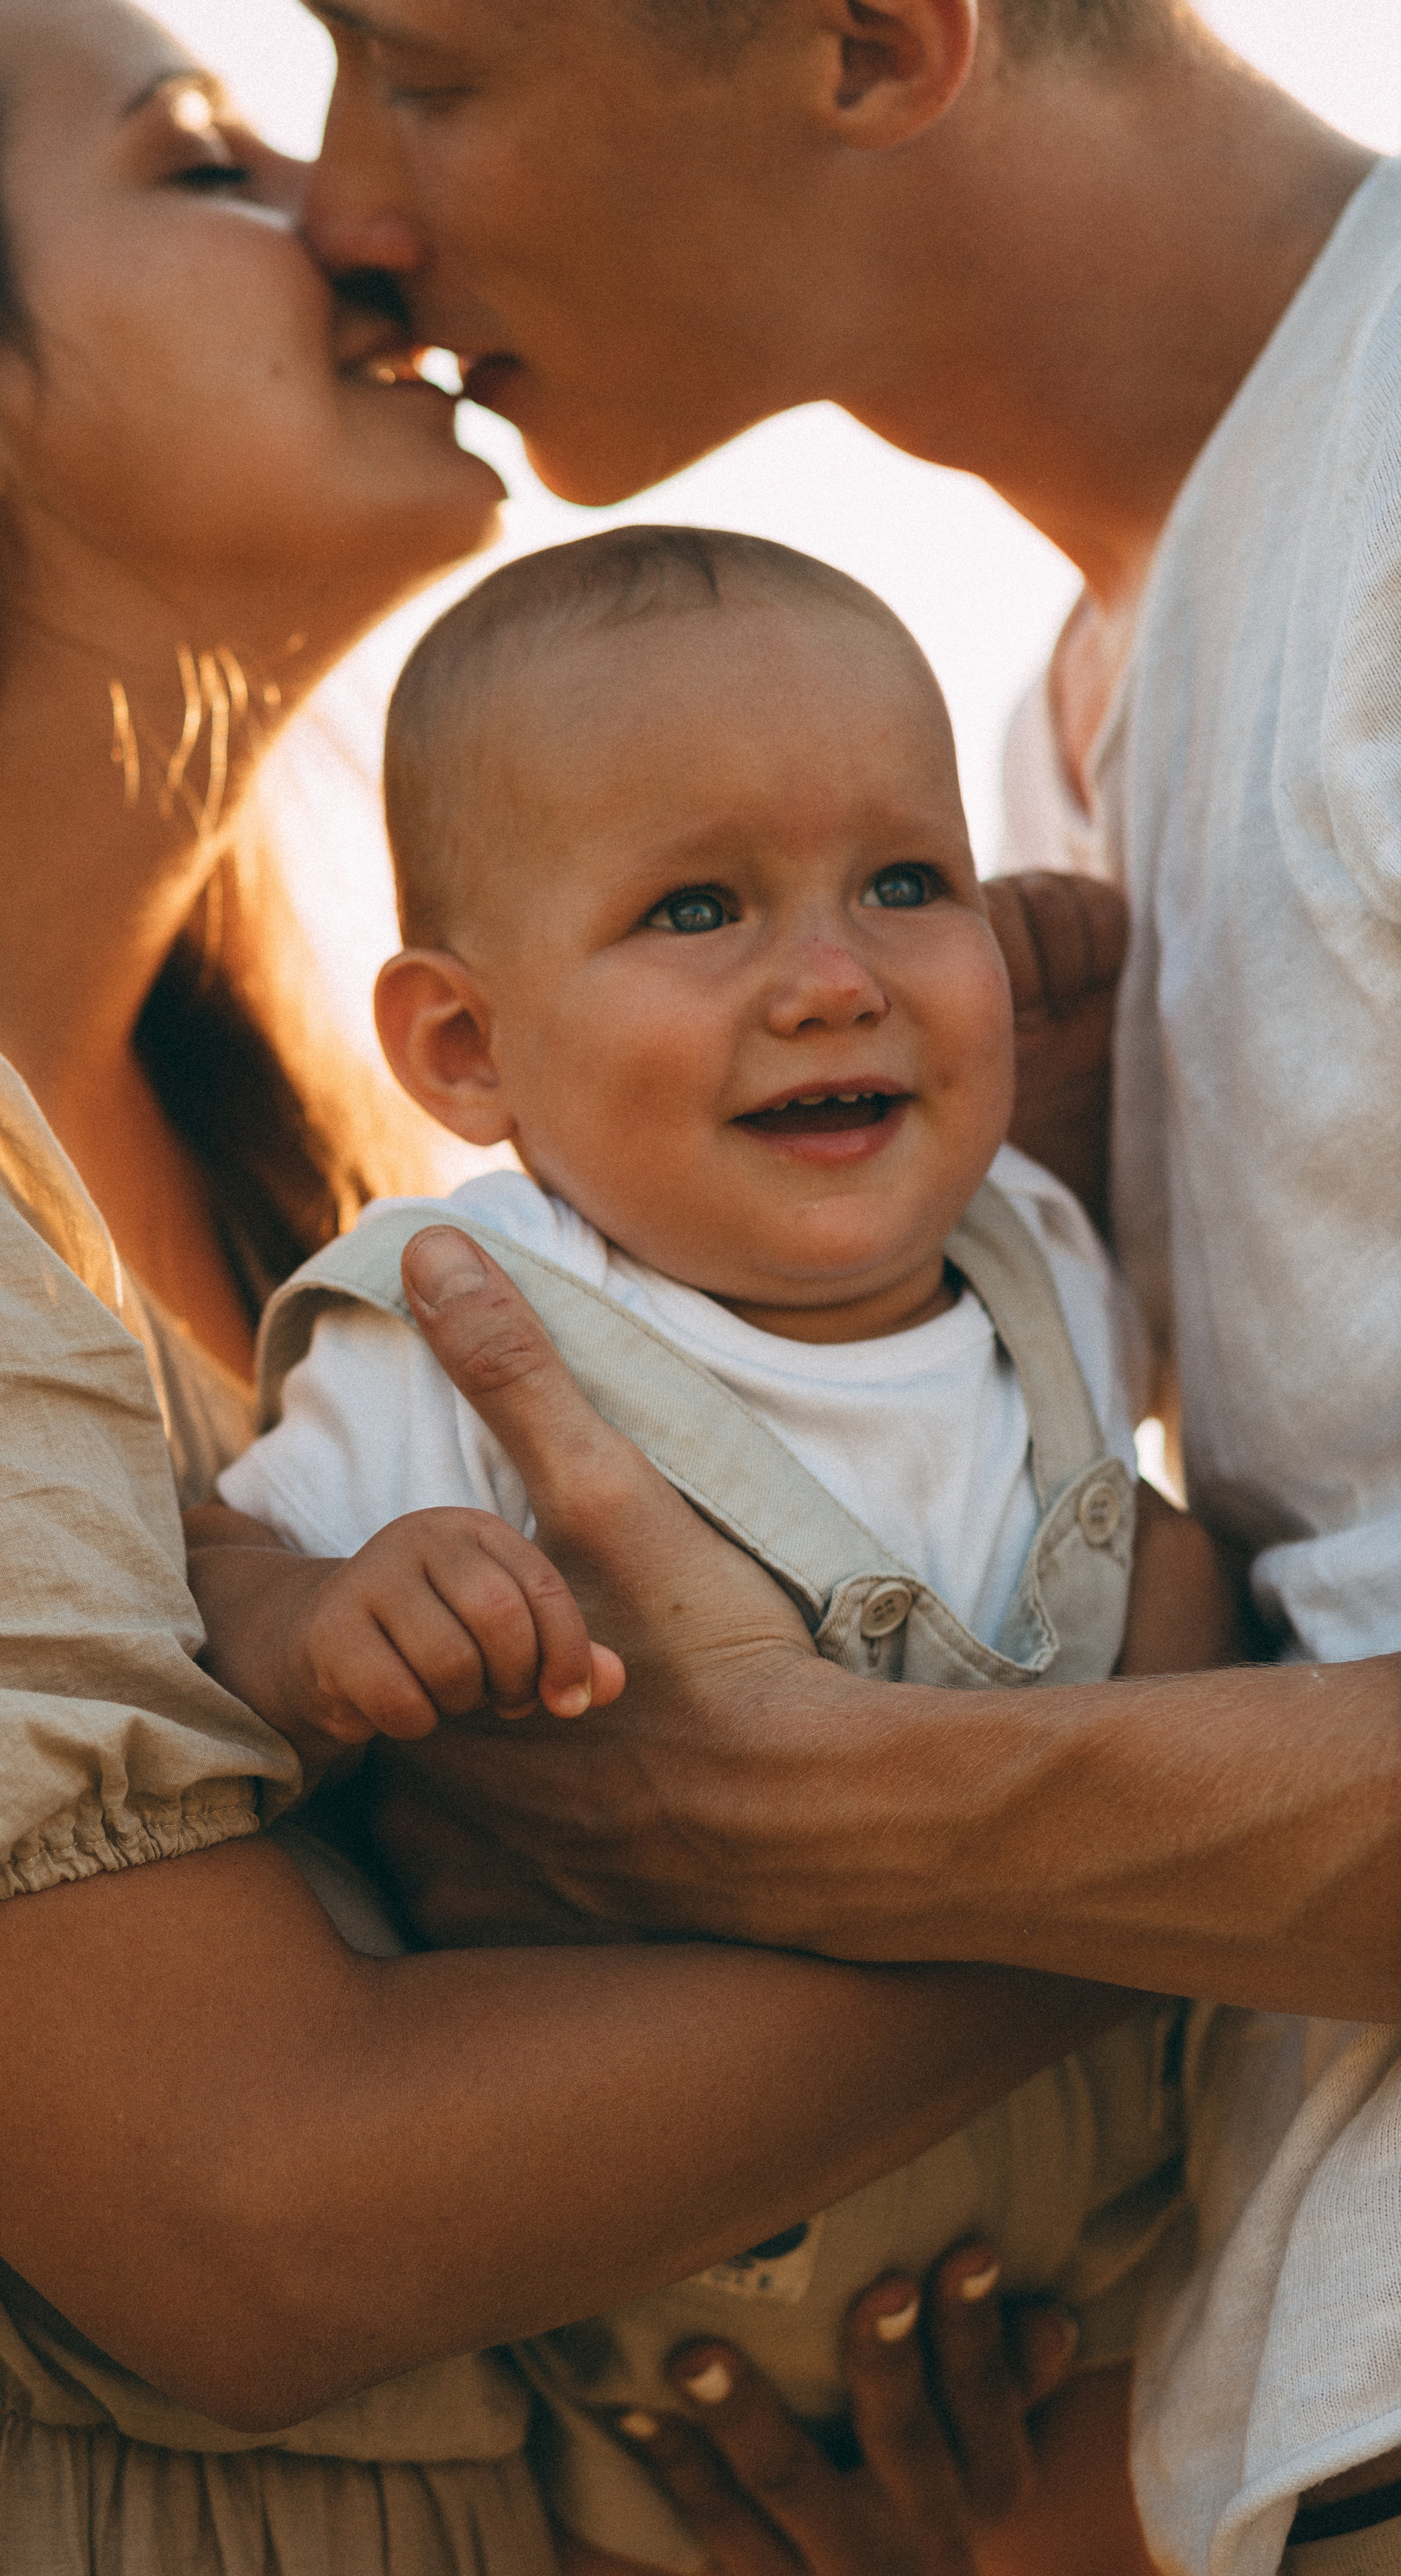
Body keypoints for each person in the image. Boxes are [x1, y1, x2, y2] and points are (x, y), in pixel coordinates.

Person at [0, 1, 1140, 2569]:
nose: (360, 217)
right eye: (206, 158)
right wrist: (1236, 1862)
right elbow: (256, 2216)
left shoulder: (385, 1210)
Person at [295, 0, 1401, 2567]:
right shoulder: (1068, 744)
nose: (339, 207)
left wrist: (828, 1811)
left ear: (880, 40)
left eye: (427, 67)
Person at [199, 522, 1242, 2573]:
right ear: (464, 1051)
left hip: (1100, 2300)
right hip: (683, 2353)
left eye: (905, 881)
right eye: (699, 905)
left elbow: (1111, 1531)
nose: (836, 975)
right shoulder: (462, 1325)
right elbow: (228, 1602)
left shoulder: (1031, 1242)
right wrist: (334, 1612)